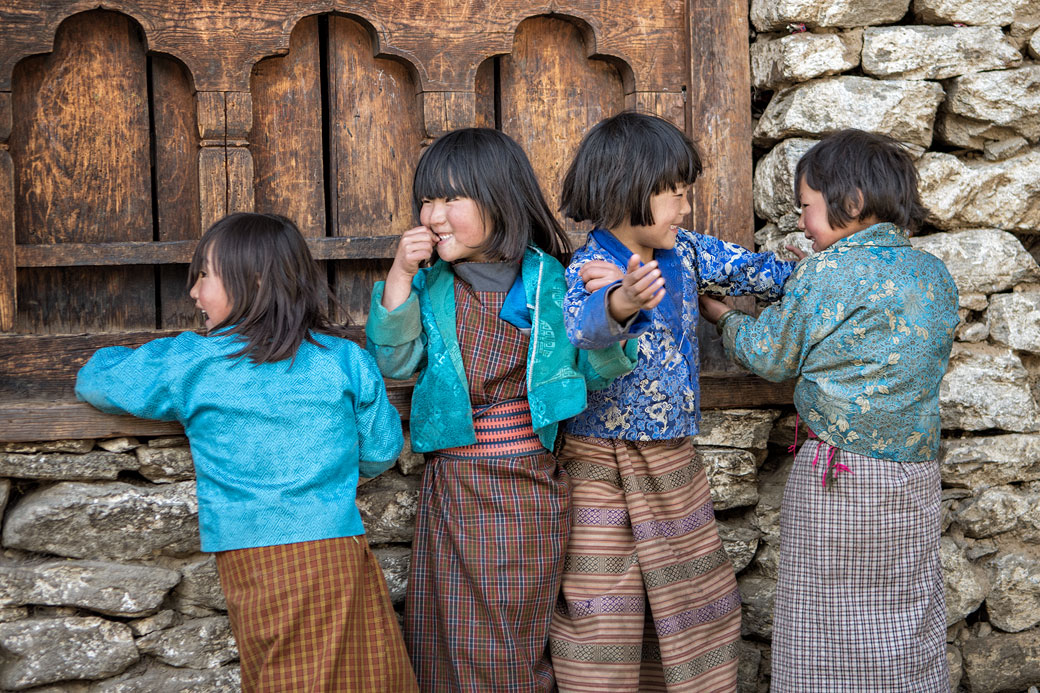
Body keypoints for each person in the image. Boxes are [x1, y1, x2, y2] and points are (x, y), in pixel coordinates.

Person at [75, 212, 416, 692]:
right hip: (338, 549)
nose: (193, 293)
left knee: (285, 677)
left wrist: (113, 355)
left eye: (204, 276)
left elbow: (98, 381)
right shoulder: (343, 359)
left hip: (252, 557)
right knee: (365, 676)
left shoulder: (195, 361)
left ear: (253, 280)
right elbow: (381, 449)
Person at [365, 127, 637, 692]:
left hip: (529, 488)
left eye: (451, 200)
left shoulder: (554, 284)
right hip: (455, 484)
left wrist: (616, 310)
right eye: (427, 199)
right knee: (449, 630)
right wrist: (399, 276)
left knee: (512, 632)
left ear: (501, 201)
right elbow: (394, 363)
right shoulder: (432, 286)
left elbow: (597, 368)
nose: (433, 215)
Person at [700, 129, 959, 692]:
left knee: (828, 615)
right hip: (913, 474)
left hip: (839, 478)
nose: (801, 224)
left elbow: (772, 355)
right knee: (903, 607)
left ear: (854, 202)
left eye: (806, 209)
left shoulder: (826, 274)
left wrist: (722, 316)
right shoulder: (933, 274)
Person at [552, 111, 798, 692]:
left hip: (672, 462)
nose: (686, 208)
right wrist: (619, 303)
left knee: (693, 599)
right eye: (676, 194)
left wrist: (827, 268)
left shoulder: (688, 253)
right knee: (600, 606)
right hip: (597, 461)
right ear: (627, 191)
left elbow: (763, 275)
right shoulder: (590, 267)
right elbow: (584, 329)